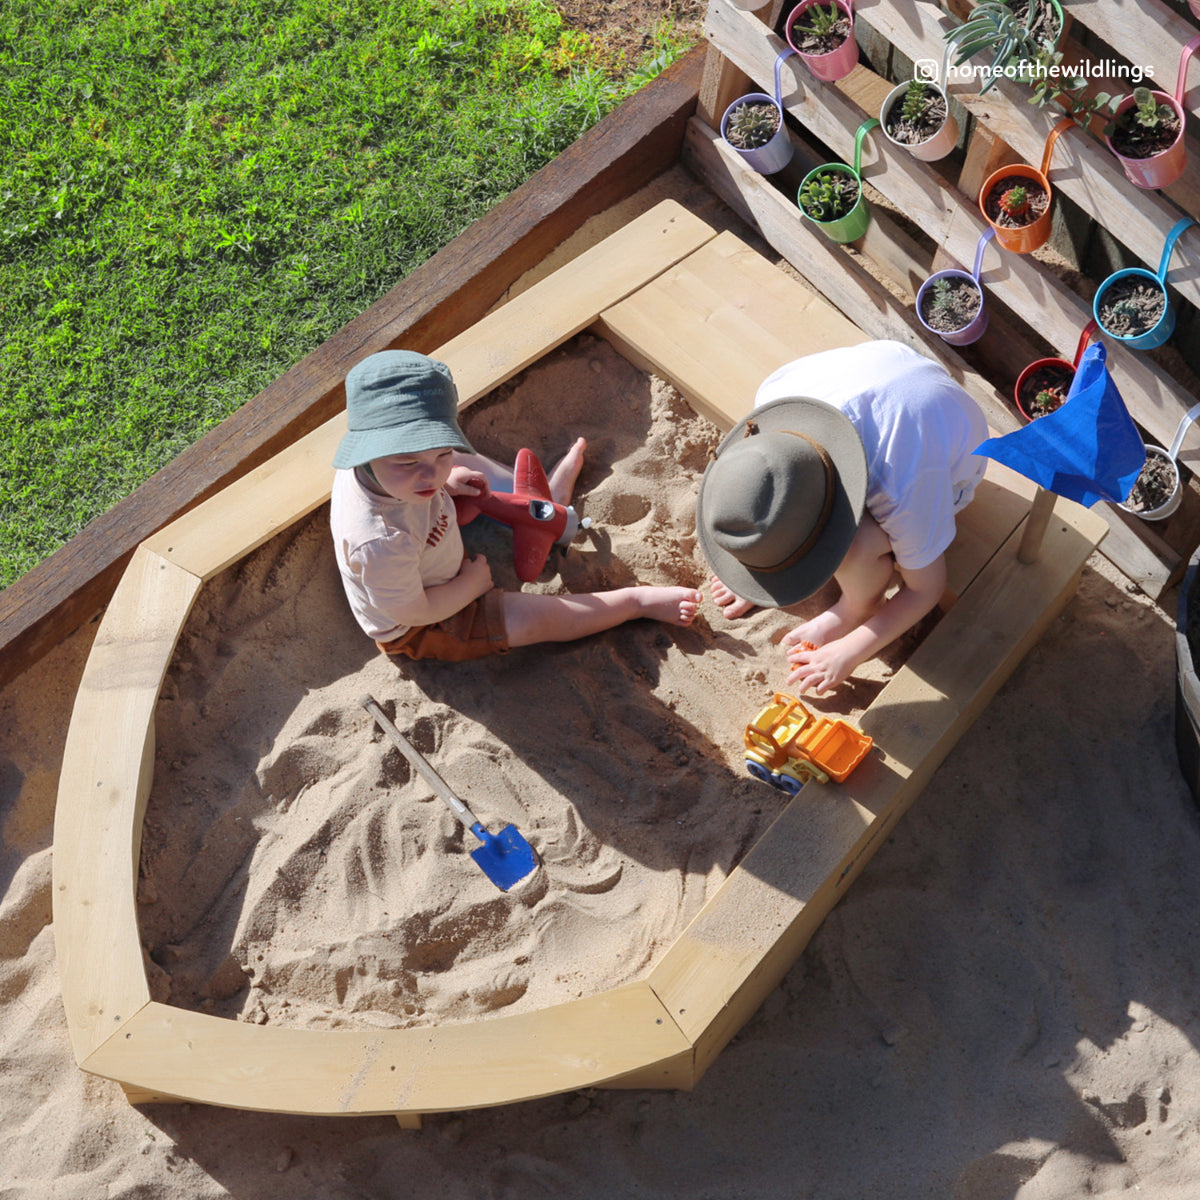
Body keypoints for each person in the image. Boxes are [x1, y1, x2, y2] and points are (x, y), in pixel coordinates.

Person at [330, 349, 701, 662]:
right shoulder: (380, 542)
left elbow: (426, 466)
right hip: (422, 621)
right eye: (409, 462)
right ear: (368, 452)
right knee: (540, 620)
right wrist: (471, 585)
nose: (431, 473)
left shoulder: (399, 472)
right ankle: (634, 603)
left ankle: (538, 503)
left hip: (427, 543)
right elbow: (416, 611)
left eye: (442, 451)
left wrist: (451, 478)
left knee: (466, 468)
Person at [696, 340, 988, 695]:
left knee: (857, 546)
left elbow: (925, 589)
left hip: (953, 458)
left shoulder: (900, 490)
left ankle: (855, 606)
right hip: (889, 378)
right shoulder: (775, 401)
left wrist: (851, 650)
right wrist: (759, 559)